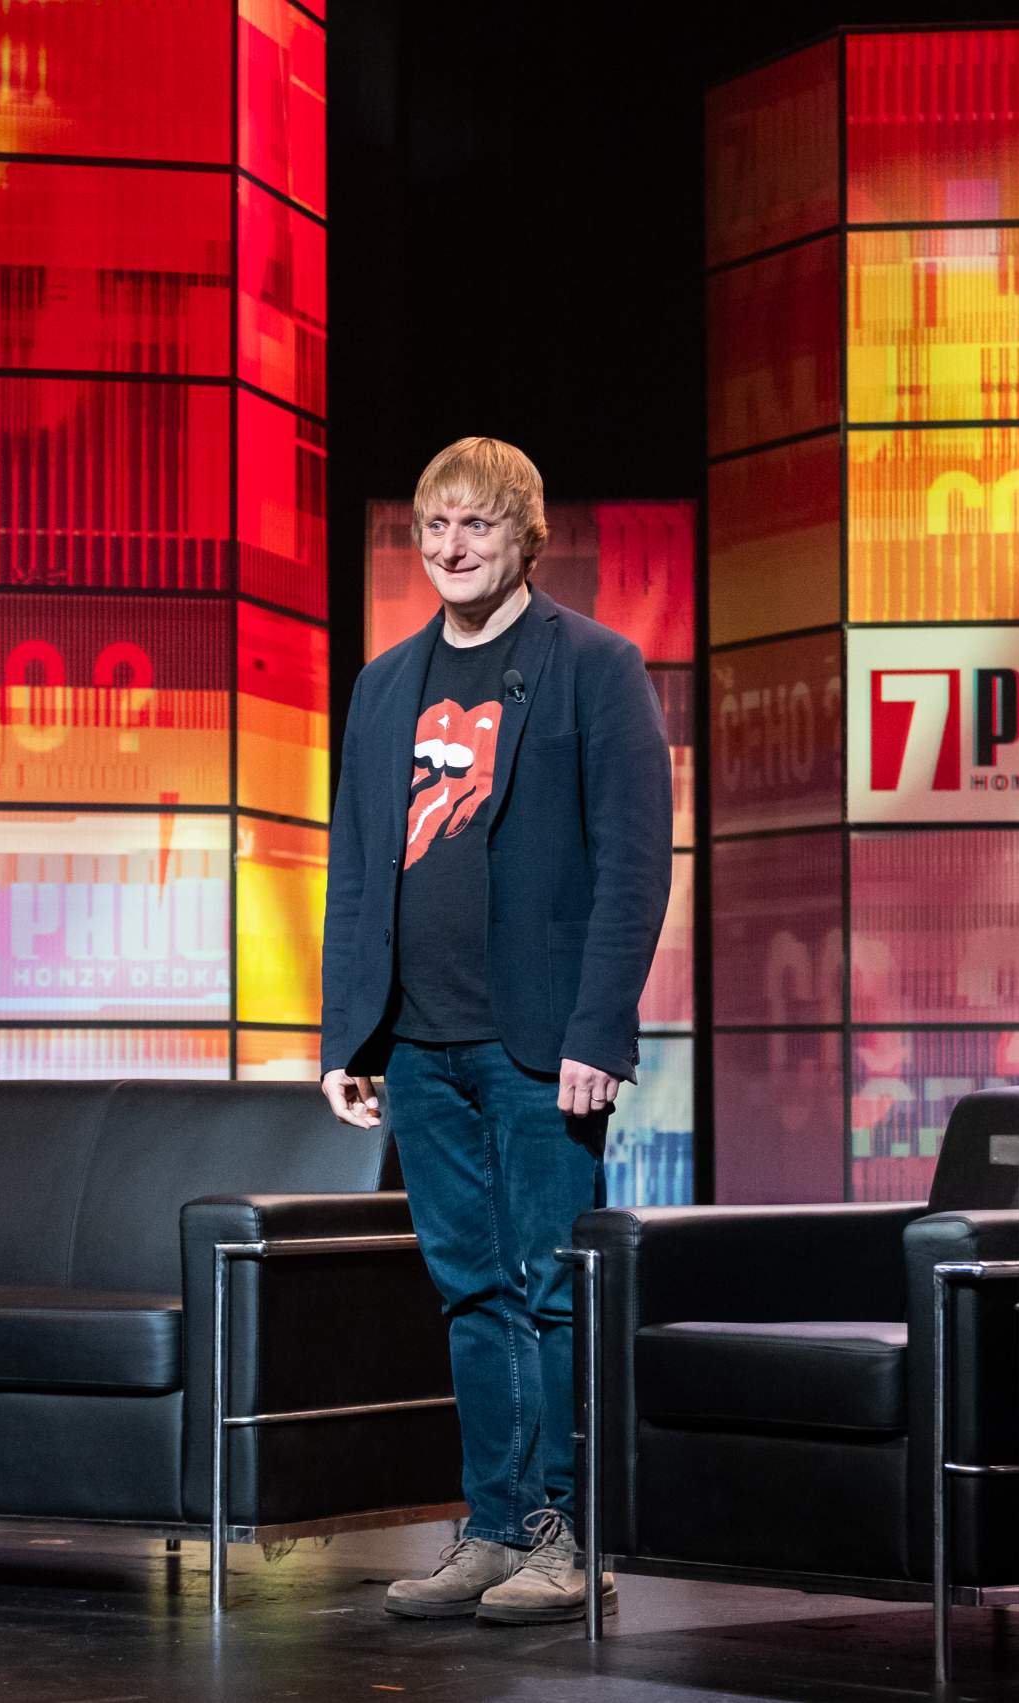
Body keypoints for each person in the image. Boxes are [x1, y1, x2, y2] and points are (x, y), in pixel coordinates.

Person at [321, 437, 672, 1625]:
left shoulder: (594, 665)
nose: (451, 546)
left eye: (476, 524)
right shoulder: (384, 683)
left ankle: (569, 1537)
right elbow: (356, 870)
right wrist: (346, 1033)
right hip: (419, 1045)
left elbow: (632, 866)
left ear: (526, 535)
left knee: (551, 1290)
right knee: (468, 1290)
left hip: (540, 1046)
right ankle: (492, 1527)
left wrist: (598, 1030)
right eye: (434, 526)